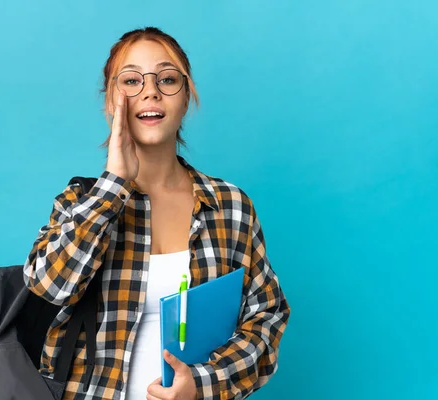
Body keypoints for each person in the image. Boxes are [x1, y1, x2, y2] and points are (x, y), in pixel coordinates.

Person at [23, 26, 291, 400]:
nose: (150, 91)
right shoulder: (80, 201)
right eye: (131, 80)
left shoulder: (230, 206)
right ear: (110, 103)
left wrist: (203, 383)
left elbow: (267, 317)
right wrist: (113, 184)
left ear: (186, 98)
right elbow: (50, 288)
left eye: (167, 79)